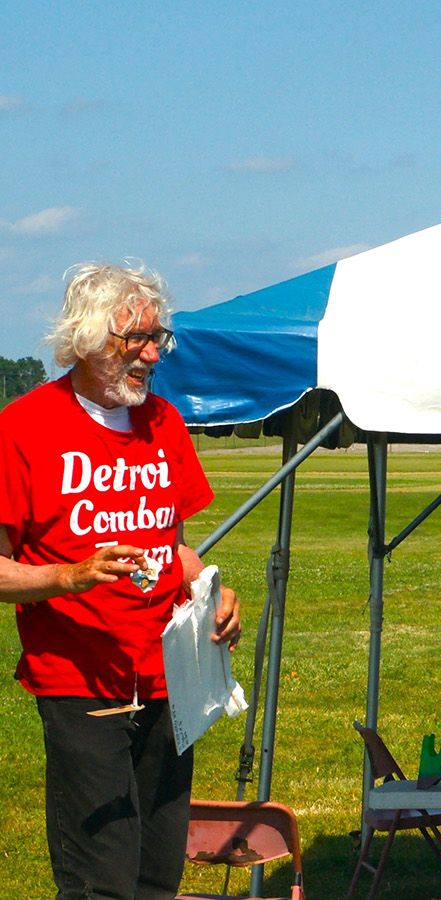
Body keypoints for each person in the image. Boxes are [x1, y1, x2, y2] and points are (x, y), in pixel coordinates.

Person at [0, 261, 242, 900]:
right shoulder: (23, 428)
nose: (151, 352)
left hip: (168, 675)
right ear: (84, 339)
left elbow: (175, 546)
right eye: (133, 337)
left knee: (158, 870)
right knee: (101, 877)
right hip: (81, 681)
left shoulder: (163, 423)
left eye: (158, 337)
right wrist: (67, 575)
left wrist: (212, 593)